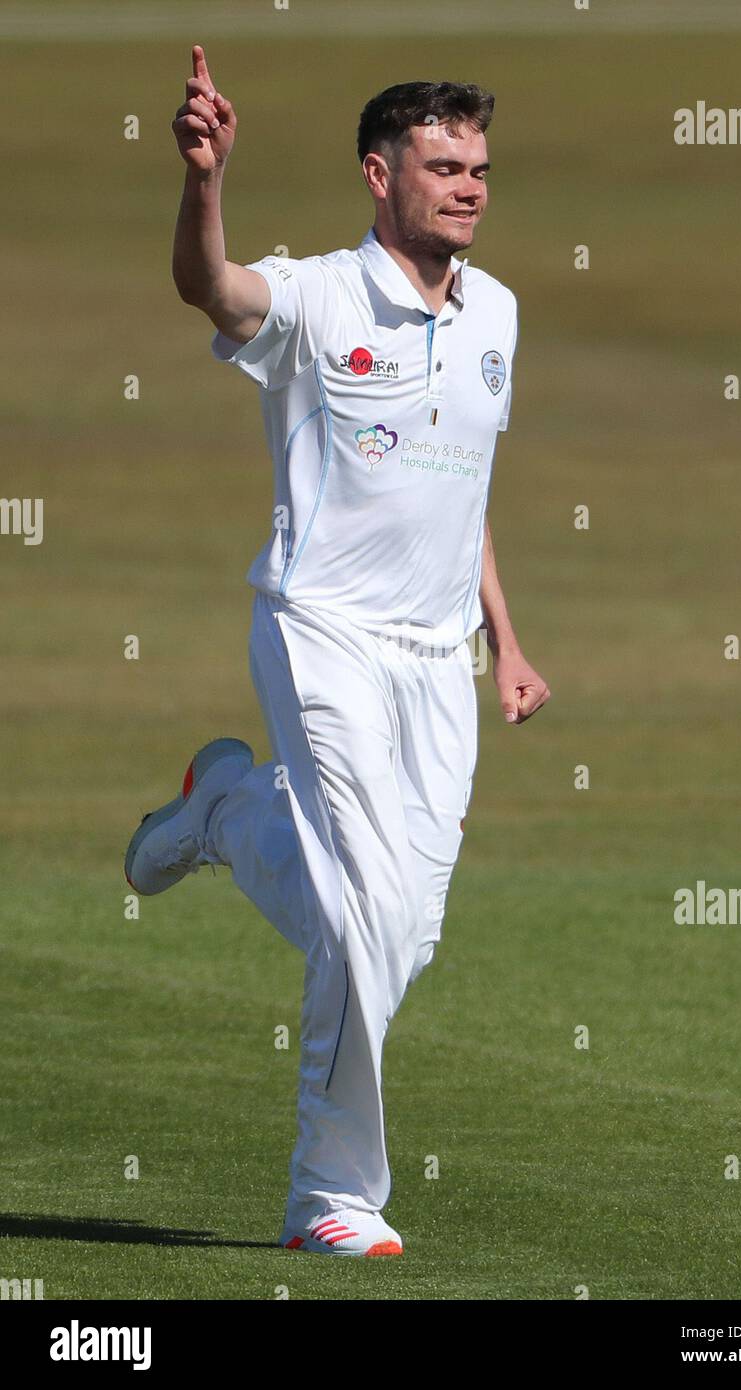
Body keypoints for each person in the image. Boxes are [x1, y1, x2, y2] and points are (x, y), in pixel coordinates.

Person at [124, 45, 550, 1258]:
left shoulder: (497, 313)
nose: (466, 186)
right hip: (322, 636)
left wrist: (504, 643)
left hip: (438, 663)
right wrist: (206, 181)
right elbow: (210, 289)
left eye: (476, 167)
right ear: (379, 174)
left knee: (397, 931)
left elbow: (459, 496)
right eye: (439, 165)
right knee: (364, 915)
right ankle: (331, 1194)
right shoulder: (314, 295)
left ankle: (223, 814)